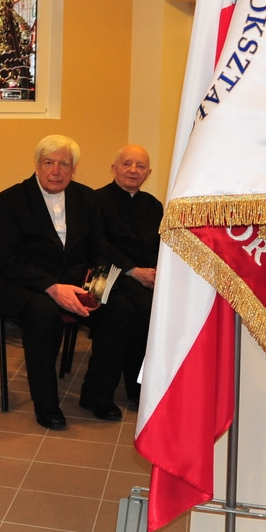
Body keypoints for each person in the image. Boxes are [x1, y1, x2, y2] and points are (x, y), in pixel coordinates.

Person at [0, 136, 134, 430]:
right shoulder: (10, 200)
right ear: (37, 165)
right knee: (44, 315)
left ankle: (97, 395)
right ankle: (46, 405)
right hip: (30, 285)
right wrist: (52, 287)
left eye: (64, 164)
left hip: (77, 284)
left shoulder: (87, 198)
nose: (55, 171)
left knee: (121, 309)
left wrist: (95, 290)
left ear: (74, 169)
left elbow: (99, 249)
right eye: (49, 163)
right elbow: (8, 258)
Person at [93, 145, 162, 409]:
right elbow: (97, 245)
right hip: (100, 277)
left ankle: (143, 387)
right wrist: (133, 271)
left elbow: (162, 246)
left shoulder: (154, 206)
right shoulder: (95, 200)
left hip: (144, 278)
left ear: (148, 173)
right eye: (127, 164)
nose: (133, 170)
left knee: (157, 310)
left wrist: (159, 272)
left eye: (140, 166)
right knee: (137, 311)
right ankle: (128, 390)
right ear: (114, 168)